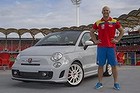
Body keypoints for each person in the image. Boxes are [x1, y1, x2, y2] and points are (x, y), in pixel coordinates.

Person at [90, 6, 124, 90]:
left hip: (111, 47)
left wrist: (117, 39)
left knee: (114, 65)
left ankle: (116, 83)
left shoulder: (114, 21)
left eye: (107, 10)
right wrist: (95, 41)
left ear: (109, 12)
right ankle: (100, 83)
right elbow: (91, 31)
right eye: (104, 10)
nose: (106, 12)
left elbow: (122, 31)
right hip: (101, 47)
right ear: (102, 12)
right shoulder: (98, 22)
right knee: (101, 65)